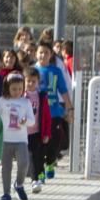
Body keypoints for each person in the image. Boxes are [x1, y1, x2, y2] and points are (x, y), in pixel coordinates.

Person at [34, 41, 72, 180]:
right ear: (36, 54)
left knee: (55, 140)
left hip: (54, 112)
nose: (43, 55)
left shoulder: (55, 71)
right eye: (41, 52)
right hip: (38, 114)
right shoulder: (33, 71)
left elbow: (63, 90)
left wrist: (70, 108)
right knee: (39, 143)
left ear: (51, 55)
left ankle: (50, 162)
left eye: (46, 52)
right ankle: (39, 171)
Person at [0, 73, 34, 200]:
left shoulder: (26, 102)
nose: (17, 92)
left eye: (19, 88)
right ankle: (6, 194)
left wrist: (25, 121)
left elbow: (32, 121)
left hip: (21, 140)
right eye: (14, 89)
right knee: (6, 167)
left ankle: (19, 184)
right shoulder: (2, 101)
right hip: (5, 139)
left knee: (24, 163)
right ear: (7, 87)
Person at [23, 68, 52, 194]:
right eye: (28, 81)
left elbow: (46, 116)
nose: (30, 84)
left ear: (38, 82)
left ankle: (36, 180)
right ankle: (20, 180)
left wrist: (46, 133)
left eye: (33, 81)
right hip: (22, 133)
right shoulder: (21, 96)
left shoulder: (41, 97)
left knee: (36, 157)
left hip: (36, 132)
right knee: (24, 158)